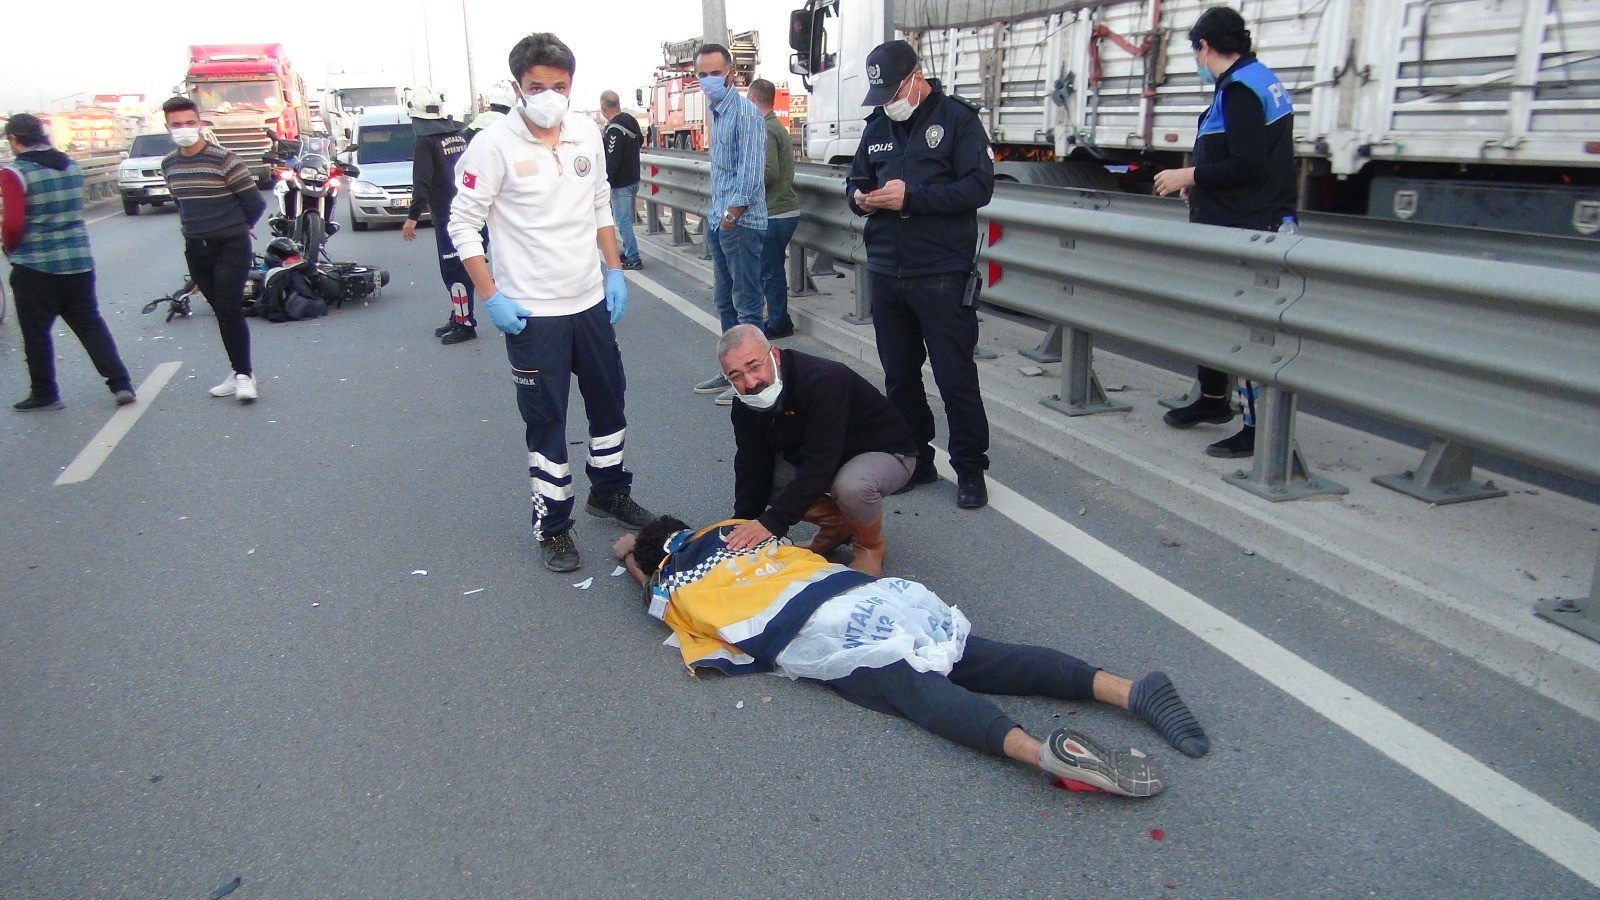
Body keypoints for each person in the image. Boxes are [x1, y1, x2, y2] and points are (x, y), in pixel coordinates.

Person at [613, 514, 1211, 798]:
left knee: (919, 692)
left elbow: (639, 569)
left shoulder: (674, 583)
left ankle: (1040, 753)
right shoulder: (741, 530)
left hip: (823, 631)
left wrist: (633, 556)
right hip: (864, 594)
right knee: (978, 655)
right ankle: (1129, 689)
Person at [449, 32, 655, 573]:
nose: (548, 95)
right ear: (517, 87)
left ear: (572, 85)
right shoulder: (492, 145)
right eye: (536, 86)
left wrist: (614, 271)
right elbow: (463, 226)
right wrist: (489, 295)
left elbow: (600, 206)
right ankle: (553, 525)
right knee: (547, 422)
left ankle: (609, 491)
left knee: (610, 402)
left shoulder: (586, 131)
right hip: (532, 313)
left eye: (559, 86)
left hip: (590, 301)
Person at [847, 41, 994, 509]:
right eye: (883, 94)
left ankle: (970, 468)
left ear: (916, 76)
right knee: (900, 376)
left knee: (955, 377)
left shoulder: (958, 121)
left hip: (941, 272)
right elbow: (855, 178)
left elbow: (978, 187)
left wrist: (912, 198)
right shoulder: (878, 126)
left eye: (895, 90)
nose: (891, 101)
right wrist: (859, 197)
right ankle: (919, 460)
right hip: (888, 270)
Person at [1152, 7, 1297, 460]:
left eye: (1195, 51)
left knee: (1247, 326)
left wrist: (1189, 177)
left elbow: (1247, 164)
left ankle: (1258, 428)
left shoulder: (1240, 90)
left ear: (1205, 47)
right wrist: (1200, 185)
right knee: (1217, 315)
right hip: (1235, 220)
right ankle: (1214, 399)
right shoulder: (1249, 81)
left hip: (1248, 227)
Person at [718, 324, 916, 577]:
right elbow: (751, 464)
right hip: (824, 456)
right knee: (769, 479)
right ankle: (837, 526)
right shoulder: (744, 406)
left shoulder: (823, 379)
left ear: (774, 355)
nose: (750, 382)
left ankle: (869, 547)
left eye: (754, 366)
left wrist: (773, 522)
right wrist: (743, 525)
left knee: (852, 487)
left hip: (885, 452)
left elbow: (821, 460)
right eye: (736, 376)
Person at [2, 114, 135, 411]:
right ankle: (120, 384)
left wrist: (10, 250)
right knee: (90, 325)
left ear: (14, 140)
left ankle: (45, 392)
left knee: (36, 332)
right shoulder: (71, 166)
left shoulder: (15, 173)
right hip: (78, 262)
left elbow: (11, 225)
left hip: (36, 266)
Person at [160, 96, 266, 402]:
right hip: (196, 248)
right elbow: (181, 203)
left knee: (231, 309)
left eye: (190, 123)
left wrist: (237, 226)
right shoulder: (169, 164)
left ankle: (245, 376)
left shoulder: (225, 160)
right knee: (221, 311)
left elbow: (255, 203)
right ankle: (238, 372)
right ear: (167, 127)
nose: (184, 129)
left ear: (200, 123)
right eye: (177, 125)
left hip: (231, 245)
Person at [688, 43, 768, 406]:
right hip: (721, 219)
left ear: (731, 73)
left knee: (747, 304)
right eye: (702, 74)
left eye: (715, 73)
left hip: (742, 222)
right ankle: (733, 372)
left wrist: (731, 218)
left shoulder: (745, 114)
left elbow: (751, 176)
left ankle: (758, 383)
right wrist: (718, 219)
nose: (708, 80)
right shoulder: (717, 111)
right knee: (725, 302)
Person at [401, 86, 478, 345]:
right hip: (472, 209)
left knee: (454, 271)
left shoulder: (425, 140)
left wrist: (413, 216)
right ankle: (459, 316)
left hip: (448, 214)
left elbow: (421, 180)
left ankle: (465, 323)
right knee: (465, 268)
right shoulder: (458, 134)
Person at [746, 79, 798, 340]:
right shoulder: (777, 126)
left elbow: (769, 172)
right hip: (783, 209)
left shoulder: (765, 129)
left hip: (775, 210)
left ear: (753, 99)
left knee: (770, 269)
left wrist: (744, 183)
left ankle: (778, 321)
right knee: (772, 267)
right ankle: (779, 317)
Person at [599, 90, 643, 271]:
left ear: (603, 107)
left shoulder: (614, 129)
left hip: (621, 183)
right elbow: (640, 140)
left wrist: (606, 182)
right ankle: (628, 251)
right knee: (625, 219)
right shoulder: (631, 120)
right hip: (634, 178)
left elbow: (612, 159)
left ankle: (633, 257)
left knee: (623, 221)